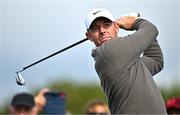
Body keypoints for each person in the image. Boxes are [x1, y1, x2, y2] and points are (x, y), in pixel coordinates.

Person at [85, 8, 167, 114]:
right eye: (95, 28)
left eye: (106, 25)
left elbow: (155, 60)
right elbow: (151, 30)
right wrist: (136, 22)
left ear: (116, 27)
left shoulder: (124, 58)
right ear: (88, 36)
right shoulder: (108, 51)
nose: (102, 31)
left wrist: (137, 26)